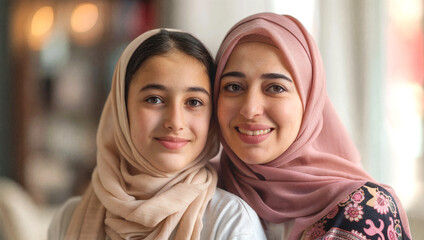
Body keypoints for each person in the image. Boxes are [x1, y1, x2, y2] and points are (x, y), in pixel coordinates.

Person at [48, 28, 266, 240]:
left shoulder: (230, 222)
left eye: (193, 102)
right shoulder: (69, 218)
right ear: (122, 109)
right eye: (154, 99)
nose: (175, 122)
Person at [214, 12, 412, 240]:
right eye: (233, 87)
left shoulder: (364, 210)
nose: (250, 109)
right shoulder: (197, 189)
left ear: (310, 100)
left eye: (275, 88)